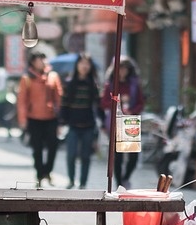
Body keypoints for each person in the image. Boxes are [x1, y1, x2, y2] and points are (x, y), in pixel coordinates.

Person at [17, 52, 63, 187]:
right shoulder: (26, 78)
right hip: (34, 118)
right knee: (37, 148)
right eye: (37, 60)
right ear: (32, 62)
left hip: (51, 118)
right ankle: (39, 174)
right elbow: (22, 101)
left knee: (53, 146)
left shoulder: (53, 76)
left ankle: (48, 171)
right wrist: (23, 119)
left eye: (42, 59)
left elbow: (59, 97)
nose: (41, 62)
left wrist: (61, 118)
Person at [101, 56, 144, 189]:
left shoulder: (134, 84)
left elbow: (141, 102)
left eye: (125, 68)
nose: (123, 71)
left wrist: (132, 110)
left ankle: (126, 178)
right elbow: (103, 102)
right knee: (117, 156)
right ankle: (119, 183)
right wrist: (116, 103)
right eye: (120, 68)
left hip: (130, 121)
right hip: (116, 121)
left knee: (133, 157)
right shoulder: (111, 84)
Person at [58, 53, 101, 189]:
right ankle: (71, 180)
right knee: (70, 155)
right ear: (77, 65)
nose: (84, 66)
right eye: (81, 63)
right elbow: (64, 105)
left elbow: (98, 106)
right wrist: (61, 122)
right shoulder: (70, 83)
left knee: (86, 156)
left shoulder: (93, 84)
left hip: (89, 125)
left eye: (87, 63)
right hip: (73, 125)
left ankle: (83, 183)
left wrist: (104, 123)